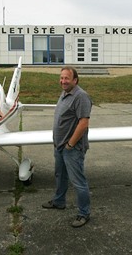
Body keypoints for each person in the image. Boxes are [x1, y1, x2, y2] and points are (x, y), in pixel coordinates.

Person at [42, 66, 92, 228]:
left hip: (72, 148)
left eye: (67, 78)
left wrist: (70, 144)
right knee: (60, 175)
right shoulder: (65, 93)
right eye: (61, 78)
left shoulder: (81, 96)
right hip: (60, 146)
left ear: (75, 80)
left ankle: (84, 214)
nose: (63, 81)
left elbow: (83, 123)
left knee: (78, 182)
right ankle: (59, 201)